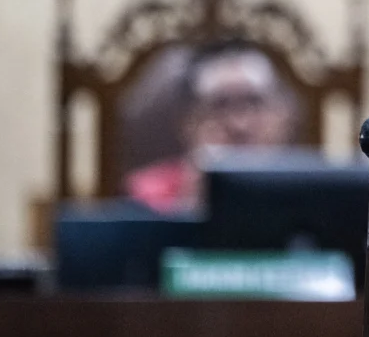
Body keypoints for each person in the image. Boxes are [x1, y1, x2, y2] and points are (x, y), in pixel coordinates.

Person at [127, 41, 297, 212]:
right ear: (189, 123)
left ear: (283, 117)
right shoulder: (147, 196)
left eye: (254, 102)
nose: (239, 125)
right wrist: (192, 201)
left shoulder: (304, 187)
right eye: (220, 106)